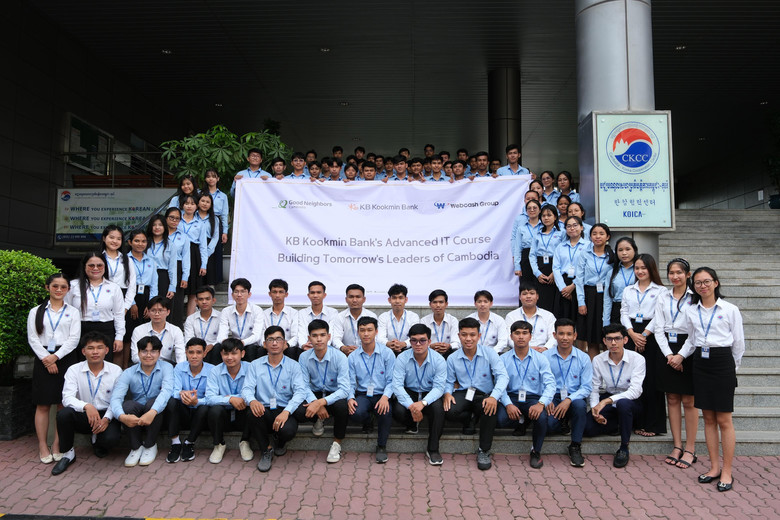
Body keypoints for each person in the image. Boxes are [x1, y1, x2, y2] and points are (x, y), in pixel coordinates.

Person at [678, 267, 744, 492]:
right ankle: (714, 467)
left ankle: (727, 470)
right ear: (693, 286)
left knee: (724, 419)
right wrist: (680, 356)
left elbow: (738, 343)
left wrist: (732, 369)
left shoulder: (730, 309)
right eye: (698, 283)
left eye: (706, 281)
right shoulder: (691, 310)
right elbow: (691, 339)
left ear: (716, 283)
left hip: (723, 362)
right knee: (707, 418)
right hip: (700, 363)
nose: (702, 286)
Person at [51, 331, 123, 475]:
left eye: (99, 347)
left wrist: (107, 418)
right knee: (64, 414)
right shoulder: (73, 370)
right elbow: (67, 398)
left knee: (112, 439)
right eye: (90, 348)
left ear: (106, 350)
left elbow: (117, 399)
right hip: (84, 414)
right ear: (83, 351)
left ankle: (97, 441)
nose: (95, 352)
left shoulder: (116, 371)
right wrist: (86, 406)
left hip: (106, 414)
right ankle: (68, 454)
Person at [28, 273, 81, 464]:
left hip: (65, 358)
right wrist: (47, 359)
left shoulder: (73, 312)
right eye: (55, 286)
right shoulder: (36, 311)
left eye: (63, 287)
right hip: (43, 358)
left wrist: (55, 357)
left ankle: (58, 444)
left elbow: (74, 339)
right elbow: (33, 338)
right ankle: (43, 445)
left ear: (68, 290)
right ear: (47, 287)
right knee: (42, 404)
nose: (59, 290)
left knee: (62, 404)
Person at [443, 317, 509, 470]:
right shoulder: (452, 358)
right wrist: (447, 393)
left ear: (479, 336)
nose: (468, 339)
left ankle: (484, 450)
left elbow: (503, 376)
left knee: (490, 409)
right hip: (464, 393)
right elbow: (448, 381)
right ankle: (469, 419)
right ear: (459, 336)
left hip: (484, 395)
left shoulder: (490, 353)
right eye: (464, 335)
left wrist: (494, 396)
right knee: (448, 409)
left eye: (472, 335)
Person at [241, 327, 309, 472]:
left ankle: (280, 440)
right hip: (264, 409)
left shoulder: (294, 366)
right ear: (264, 344)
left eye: (278, 339)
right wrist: (252, 401)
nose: (274, 343)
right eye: (270, 339)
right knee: (252, 413)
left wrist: (287, 412)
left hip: (284, 408)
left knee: (288, 431)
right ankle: (266, 449)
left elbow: (300, 392)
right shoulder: (255, 365)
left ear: (284, 343)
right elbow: (246, 389)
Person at [654, 258, 698, 469]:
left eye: (679, 272)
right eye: (671, 272)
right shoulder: (663, 296)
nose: (675, 276)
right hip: (666, 348)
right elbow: (658, 328)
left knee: (689, 401)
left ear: (688, 275)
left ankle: (690, 448)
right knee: (671, 398)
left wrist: (681, 356)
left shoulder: (695, 297)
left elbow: (696, 330)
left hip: (688, 348)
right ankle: (677, 445)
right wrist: (670, 356)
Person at [584, 324, 645, 468]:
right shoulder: (598, 359)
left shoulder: (637, 359)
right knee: (586, 428)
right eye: (609, 339)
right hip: (610, 399)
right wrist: (595, 409)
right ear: (604, 341)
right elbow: (594, 388)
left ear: (625, 340)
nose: (613, 343)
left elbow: (635, 391)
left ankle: (624, 447)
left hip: (630, 401)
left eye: (617, 339)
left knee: (623, 404)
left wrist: (606, 401)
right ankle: (618, 424)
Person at [497, 321, 555, 469]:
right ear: (511, 336)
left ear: (530, 336)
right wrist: (508, 404)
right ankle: (522, 419)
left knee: (542, 418)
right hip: (512, 397)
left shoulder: (540, 358)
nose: (521, 337)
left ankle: (536, 451)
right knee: (500, 419)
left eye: (524, 333)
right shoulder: (503, 359)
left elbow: (550, 384)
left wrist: (542, 403)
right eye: (517, 333)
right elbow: (500, 386)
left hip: (533, 398)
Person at [620, 253, 667, 437]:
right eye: (637, 268)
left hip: (652, 334)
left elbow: (659, 315)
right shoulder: (628, 290)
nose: (640, 271)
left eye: (643, 268)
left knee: (651, 379)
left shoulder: (661, 290)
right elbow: (623, 312)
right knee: (633, 378)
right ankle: (635, 422)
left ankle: (653, 424)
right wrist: (632, 334)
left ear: (651, 269)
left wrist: (644, 335)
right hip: (631, 332)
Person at [110, 335, 174, 467]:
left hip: (157, 414)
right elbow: (116, 397)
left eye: (153, 351)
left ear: (159, 353)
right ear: (138, 353)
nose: (148, 355)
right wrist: (121, 417)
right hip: (137, 414)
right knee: (127, 406)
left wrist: (152, 411)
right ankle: (136, 447)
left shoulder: (167, 367)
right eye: (144, 351)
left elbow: (166, 391)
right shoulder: (128, 372)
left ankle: (150, 445)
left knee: (154, 403)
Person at [295, 320, 350, 463]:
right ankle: (317, 420)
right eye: (314, 336)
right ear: (309, 338)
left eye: (322, 335)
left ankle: (337, 442)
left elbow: (344, 389)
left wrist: (321, 403)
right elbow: (303, 385)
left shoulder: (340, 357)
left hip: (333, 394)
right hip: (314, 393)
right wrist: (315, 402)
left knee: (342, 406)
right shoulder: (304, 357)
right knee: (299, 411)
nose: (319, 339)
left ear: (329, 337)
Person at [392, 324, 447, 465]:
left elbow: (439, 388)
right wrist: (412, 406)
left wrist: (422, 403)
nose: (418, 344)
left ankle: (433, 449)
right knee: (398, 410)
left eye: (422, 340)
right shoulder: (402, 358)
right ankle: (412, 424)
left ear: (429, 341)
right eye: (414, 340)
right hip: (410, 392)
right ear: (409, 341)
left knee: (438, 409)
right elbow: (397, 385)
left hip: (429, 393)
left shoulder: (438, 360)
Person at [347, 317, 396, 463]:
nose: (366, 334)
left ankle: (381, 446)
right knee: (354, 412)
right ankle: (368, 420)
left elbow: (392, 380)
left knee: (385, 411)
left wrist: (386, 397)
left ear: (376, 332)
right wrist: (350, 397)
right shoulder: (353, 357)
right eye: (362, 330)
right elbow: (350, 382)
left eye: (369, 330)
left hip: (382, 394)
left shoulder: (387, 353)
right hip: (363, 394)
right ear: (358, 332)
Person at [545, 318, 592, 467]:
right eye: (561, 334)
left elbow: (586, 387)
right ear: (554, 335)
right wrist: (547, 399)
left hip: (574, 397)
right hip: (553, 397)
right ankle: (563, 421)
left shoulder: (583, 358)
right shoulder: (545, 357)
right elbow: (540, 383)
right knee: (548, 426)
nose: (565, 338)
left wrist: (568, 400)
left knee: (580, 406)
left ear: (575, 336)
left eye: (569, 334)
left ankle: (575, 445)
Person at [66, 252, 125, 363]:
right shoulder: (73, 286)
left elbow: (119, 315)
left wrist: (119, 337)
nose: (95, 268)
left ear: (105, 267)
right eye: (91, 265)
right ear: (84, 267)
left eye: (99, 265)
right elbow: (67, 312)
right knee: (80, 365)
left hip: (106, 330)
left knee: (104, 365)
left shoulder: (114, 288)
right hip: (80, 330)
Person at [204, 338, 253, 464]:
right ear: (221, 354)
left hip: (243, 414)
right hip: (224, 416)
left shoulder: (251, 368)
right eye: (226, 353)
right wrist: (230, 399)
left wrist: (236, 399)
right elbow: (209, 397)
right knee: (214, 410)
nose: (229, 357)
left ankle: (245, 441)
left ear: (242, 354)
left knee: (253, 408)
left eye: (234, 353)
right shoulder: (215, 371)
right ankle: (219, 444)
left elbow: (255, 393)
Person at [165, 338, 214, 463]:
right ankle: (175, 443)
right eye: (191, 352)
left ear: (204, 354)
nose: (194, 356)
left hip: (201, 415)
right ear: (186, 353)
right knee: (172, 402)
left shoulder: (212, 370)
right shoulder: (179, 368)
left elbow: (212, 397)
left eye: (198, 352)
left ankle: (189, 443)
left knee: (205, 407)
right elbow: (174, 391)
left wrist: (197, 402)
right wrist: (182, 393)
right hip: (184, 411)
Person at [575, 224, 614, 359]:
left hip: (607, 295)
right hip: (589, 295)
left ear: (607, 237)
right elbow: (579, 278)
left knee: (607, 334)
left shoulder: (612, 255)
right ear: (590, 236)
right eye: (594, 234)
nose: (598, 236)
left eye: (601, 233)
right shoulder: (584, 254)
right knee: (591, 337)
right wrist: (581, 302)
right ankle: (594, 367)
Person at [125, 230, 158, 367]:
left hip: (146, 296)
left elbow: (154, 284)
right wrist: (131, 303)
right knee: (128, 333)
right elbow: (126, 283)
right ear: (130, 242)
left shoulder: (151, 261)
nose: (140, 244)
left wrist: (151, 306)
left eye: (143, 241)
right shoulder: (125, 260)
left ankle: (144, 364)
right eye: (137, 241)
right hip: (130, 296)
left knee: (144, 331)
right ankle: (125, 366)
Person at [217, 278, 265, 361]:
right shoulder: (226, 311)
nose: (239, 295)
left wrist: (242, 343)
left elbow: (256, 336)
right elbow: (222, 333)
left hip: (250, 344)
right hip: (233, 345)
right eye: (236, 292)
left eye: (243, 291)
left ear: (249, 294)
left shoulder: (257, 310)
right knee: (218, 347)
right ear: (232, 295)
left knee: (250, 349)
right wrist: (226, 342)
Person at [178, 194, 210, 316]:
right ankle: (177, 317)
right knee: (179, 287)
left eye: (192, 204)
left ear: (197, 206)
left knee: (193, 290)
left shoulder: (200, 224)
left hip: (194, 254)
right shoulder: (177, 221)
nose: (189, 206)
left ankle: (189, 319)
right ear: (182, 205)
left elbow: (203, 246)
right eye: (186, 203)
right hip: (179, 253)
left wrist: (203, 264)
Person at [130, 296, 185, 365]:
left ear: (168, 312)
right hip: (144, 365)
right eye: (153, 310)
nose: (157, 314)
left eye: (160, 310)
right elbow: (135, 356)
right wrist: (150, 362)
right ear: (148, 312)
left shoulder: (176, 331)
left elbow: (181, 356)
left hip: (166, 366)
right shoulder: (139, 330)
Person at [530, 205, 565, 312]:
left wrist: (555, 273)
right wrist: (537, 273)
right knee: (541, 300)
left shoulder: (562, 233)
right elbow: (532, 255)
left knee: (555, 301)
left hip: (556, 266)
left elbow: (564, 253)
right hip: (540, 267)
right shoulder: (537, 234)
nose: (546, 218)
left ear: (555, 217)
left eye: (549, 215)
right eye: (543, 215)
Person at [504, 281, 557, 352]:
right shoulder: (511, 316)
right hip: (519, 352)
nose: (528, 296)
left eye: (532, 293)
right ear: (520, 297)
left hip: (544, 353)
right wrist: (525, 349)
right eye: (524, 294)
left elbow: (554, 337)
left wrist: (545, 348)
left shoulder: (548, 316)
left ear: (537, 296)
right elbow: (508, 337)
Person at [552, 216, 587, 321]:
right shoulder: (560, 246)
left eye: (575, 225)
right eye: (569, 226)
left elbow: (588, 269)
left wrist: (573, 285)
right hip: (563, 284)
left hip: (580, 283)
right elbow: (556, 268)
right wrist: (563, 289)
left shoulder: (588, 246)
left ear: (581, 227)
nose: (572, 228)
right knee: (563, 319)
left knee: (579, 319)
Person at [332, 284, 377, 356]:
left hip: (367, 353)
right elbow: (336, 338)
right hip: (346, 354)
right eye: (351, 297)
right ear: (346, 299)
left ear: (364, 299)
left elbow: (376, 338)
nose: (354, 300)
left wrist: (363, 349)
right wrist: (343, 348)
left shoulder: (371, 316)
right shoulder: (340, 317)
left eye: (358, 297)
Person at [164, 207, 191, 328]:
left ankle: (175, 329)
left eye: (177, 219)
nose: (174, 221)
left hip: (178, 268)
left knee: (177, 301)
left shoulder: (184, 237)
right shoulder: (160, 234)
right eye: (171, 218)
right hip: (163, 268)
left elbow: (186, 258)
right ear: (166, 218)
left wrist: (185, 276)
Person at [101, 224, 136, 315]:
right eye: (111, 237)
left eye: (118, 239)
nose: (115, 241)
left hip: (122, 297)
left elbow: (132, 285)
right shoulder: (98, 258)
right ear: (104, 238)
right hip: (101, 296)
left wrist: (125, 307)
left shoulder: (127, 260)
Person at [378, 284, 421, 355]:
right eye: (394, 298)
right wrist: (389, 344)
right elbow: (380, 338)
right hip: (388, 351)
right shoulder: (383, 317)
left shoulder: (413, 316)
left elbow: (416, 336)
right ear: (389, 300)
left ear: (406, 300)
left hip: (409, 351)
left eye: (400, 298)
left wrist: (403, 344)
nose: (397, 301)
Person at [296, 281, 339, 351]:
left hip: (326, 349)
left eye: (318, 292)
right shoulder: (302, 313)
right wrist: (303, 345)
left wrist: (322, 346)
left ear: (324, 295)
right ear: (308, 295)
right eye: (312, 293)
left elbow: (331, 333)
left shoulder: (333, 312)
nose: (315, 295)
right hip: (307, 348)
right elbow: (301, 333)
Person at [183, 286, 222, 364]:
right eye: (201, 299)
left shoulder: (221, 317)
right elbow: (188, 339)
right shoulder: (191, 319)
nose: (204, 302)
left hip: (214, 350)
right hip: (197, 351)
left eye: (207, 299)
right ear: (196, 301)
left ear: (213, 300)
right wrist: (200, 348)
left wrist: (212, 345)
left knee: (218, 347)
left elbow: (222, 337)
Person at [203, 168, 229, 284]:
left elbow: (224, 214)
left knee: (216, 252)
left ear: (218, 179)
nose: (211, 179)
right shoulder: (200, 193)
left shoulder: (223, 196)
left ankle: (215, 281)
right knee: (203, 249)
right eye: (208, 176)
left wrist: (225, 232)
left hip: (217, 222)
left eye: (213, 176)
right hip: (203, 221)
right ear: (205, 179)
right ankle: (203, 280)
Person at [263, 279, 300, 358]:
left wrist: (286, 345)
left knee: (292, 350)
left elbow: (295, 336)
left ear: (286, 294)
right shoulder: (264, 314)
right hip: (269, 347)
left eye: (281, 292)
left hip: (286, 347)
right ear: (270, 294)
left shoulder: (293, 313)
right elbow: (261, 335)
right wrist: (268, 345)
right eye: (274, 292)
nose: (277, 295)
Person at [145, 214, 177, 304]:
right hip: (147, 276)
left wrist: (172, 286)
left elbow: (173, 267)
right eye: (154, 225)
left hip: (162, 277)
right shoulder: (144, 243)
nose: (157, 227)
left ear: (165, 227)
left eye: (160, 225)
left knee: (161, 306)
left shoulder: (170, 245)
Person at [420, 289, 460, 357]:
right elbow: (420, 341)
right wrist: (430, 346)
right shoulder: (424, 321)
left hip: (449, 354)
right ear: (430, 304)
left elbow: (457, 342)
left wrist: (449, 346)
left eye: (441, 302)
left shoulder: (453, 320)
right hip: (429, 354)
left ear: (446, 304)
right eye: (434, 302)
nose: (438, 305)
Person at [467, 290, 508, 354]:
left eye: (485, 301)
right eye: (479, 302)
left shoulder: (499, 320)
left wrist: (491, 353)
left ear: (491, 303)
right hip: (472, 353)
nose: (482, 304)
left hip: (493, 353)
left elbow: (503, 341)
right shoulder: (468, 320)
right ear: (475, 304)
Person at [608, 237, 639, 324]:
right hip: (617, 308)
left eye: (628, 249)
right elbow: (608, 299)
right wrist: (606, 321)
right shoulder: (612, 272)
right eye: (620, 250)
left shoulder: (640, 271)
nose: (624, 253)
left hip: (636, 308)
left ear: (634, 250)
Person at [514, 199, 542, 285]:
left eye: (534, 208)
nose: (532, 210)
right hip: (526, 258)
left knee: (540, 286)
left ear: (540, 210)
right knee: (526, 286)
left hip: (540, 256)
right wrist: (517, 266)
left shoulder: (544, 227)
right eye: (529, 208)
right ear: (526, 211)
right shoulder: (521, 228)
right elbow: (517, 248)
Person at [195, 192, 220, 287]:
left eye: (207, 202)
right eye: (202, 201)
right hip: (195, 245)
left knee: (209, 273)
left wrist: (207, 252)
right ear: (198, 202)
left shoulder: (215, 219)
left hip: (209, 246)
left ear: (211, 205)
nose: (205, 204)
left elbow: (215, 237)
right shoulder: (193, 216)